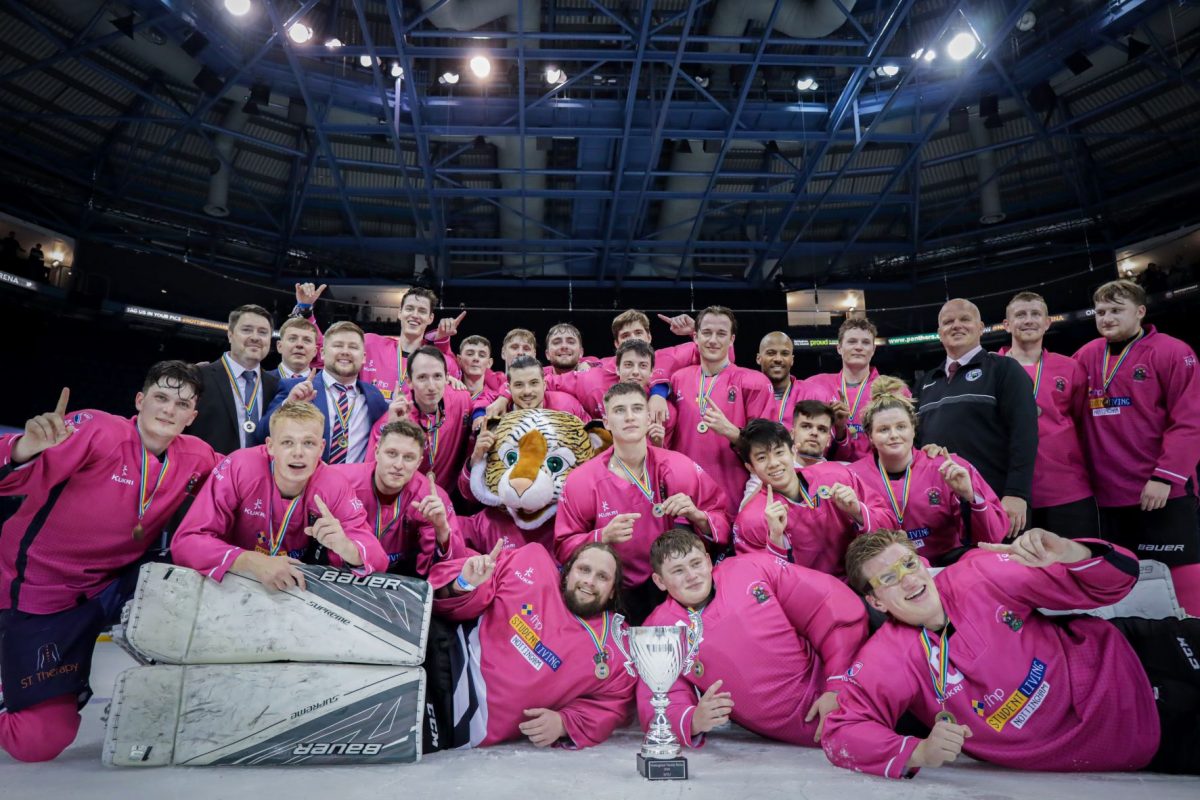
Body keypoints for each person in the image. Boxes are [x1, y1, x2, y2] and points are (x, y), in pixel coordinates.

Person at [821, 528, 1200, 778]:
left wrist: (1069, 551)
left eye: (908, 564)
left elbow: (1119, 579)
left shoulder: (978, 575)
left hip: (1135, 649)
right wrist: (918, 752)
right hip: (1137, 729)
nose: (908, 580)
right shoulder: (887, 657)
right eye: (889, 579)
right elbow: (840, 734)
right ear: (875, 600)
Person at [0, 362, 220, 763]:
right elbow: (11, 475)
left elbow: (245, 476)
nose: (169, 410)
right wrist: (24, 447)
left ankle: (174, 701)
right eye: (161, 397)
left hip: (113, 584)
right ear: (140, 401)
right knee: (38, 740)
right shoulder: (98, 429)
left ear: (192, 417)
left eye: (182, 404)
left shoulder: (197, 456)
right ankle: (19, 682)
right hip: (42, 589)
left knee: (192, 574)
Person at [639, 529, 870, 748]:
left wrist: (838, 686)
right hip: (796, 742)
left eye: (696, 563)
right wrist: (692, 720)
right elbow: (657, 698)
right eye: (678, 571)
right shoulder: (659, 630)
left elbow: (830, 605)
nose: (691, 576)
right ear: (659, 581)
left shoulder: (751, 569)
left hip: (851, 696)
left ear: (709, 562)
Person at [425, 541, 637, 749]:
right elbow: (449, 602)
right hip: (446, 652)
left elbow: (614, 704)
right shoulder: (531, 562)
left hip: (460, 717)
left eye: (602, 577)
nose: (590, 581)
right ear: (568, 571)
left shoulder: (614, 645)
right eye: (584, 570)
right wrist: (464, 584)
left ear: (612, 591)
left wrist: (564, 722)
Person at [1073, 279, 1200, 613]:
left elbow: (1189, 420)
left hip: (1159, 490)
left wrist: (1166, 478)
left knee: (1181, 574)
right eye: (1101, 311)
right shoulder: (1086, 356)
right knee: (1127, 581)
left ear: (1140, 312)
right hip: (1107, 495)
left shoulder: (1174, 352)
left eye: (1117, 310)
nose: (1107, 318)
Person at [555, 382, 730, 623]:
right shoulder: (582, 480)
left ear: (649, 418)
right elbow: (563, 546)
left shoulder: (678, 466)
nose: (629, 417)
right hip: (615, 591)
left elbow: (723, 520)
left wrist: (697, 516)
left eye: (637, 409)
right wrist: (601, 536)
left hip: (674, 587)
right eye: (619, 410)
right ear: (606, 422)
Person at [172, 402, 386, 587]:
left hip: (294, 589)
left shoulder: (334, 485)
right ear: (271, 446)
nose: (298, 452)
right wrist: (251, 561)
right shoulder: (239, 467)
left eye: (309, 443)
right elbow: (187, 542)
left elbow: (378, 559)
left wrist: (346, 547)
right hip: (230, 580)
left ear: (321, 448)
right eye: (287, 442)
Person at [916, 298, 1037, 538]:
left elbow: (1024, 436)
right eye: (948, 322)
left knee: (1007, 573)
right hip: (942, 508)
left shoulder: (1005, 370)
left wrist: (1017, 493)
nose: (956, 325)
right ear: (940, 333)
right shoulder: (925, 382)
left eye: (965, 319)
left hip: (998, 501)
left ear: (981, 327)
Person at [847, 395, 1009, 564]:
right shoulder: (853, 476)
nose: (893, 435)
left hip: (946, 564)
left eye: (901, 427)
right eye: (883, 430)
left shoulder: (949, 467)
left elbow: (992, 537)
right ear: (870, 436)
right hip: (885, 570)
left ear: (913, 429)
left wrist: (969, 496)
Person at [733, 419, 884, 579]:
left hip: (868, 579)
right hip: (814, 600)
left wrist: (858, 512)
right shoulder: (749, 521)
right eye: (762, 458)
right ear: (751, 468)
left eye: (779, 452)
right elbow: (759, 580)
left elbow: (888, 522)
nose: (774, 463)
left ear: (793, 451)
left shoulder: (836, 476)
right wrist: (775, 539)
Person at [999, 291, 1098, 536]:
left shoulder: (1070, 367)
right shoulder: (991, 369)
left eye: (1036, 314)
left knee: (1077, 565)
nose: (1029, 320)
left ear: (1047, 322)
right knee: (1022, 572)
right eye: (1020, 315)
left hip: (1068, 489)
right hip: (1011, 493)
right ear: (1007, 325)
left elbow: (1082, 424)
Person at [668, 306, 774, 513]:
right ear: (696, 337)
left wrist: (732, 432)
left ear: (732, 339)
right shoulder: (678, 379)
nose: (713, 340)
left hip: (733, 493)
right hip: (684, 494)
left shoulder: (754, 382)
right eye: (706, 333)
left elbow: (769, 448)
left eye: (721, 334)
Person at [329, 421, 464, 578]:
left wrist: (441, 530)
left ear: (419, 462)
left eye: (408, 457)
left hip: (399, 577)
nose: (398, 465)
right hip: (340, 570)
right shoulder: (340, 480)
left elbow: (452, 569)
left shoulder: (433, 499)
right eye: (391, 453)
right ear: (377, 451)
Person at [289, 283, 462, 398]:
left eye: (422, 311)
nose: (415, 315)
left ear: (430, 318)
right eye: (409, 308)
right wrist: (305, 310)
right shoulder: (371, 344)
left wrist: (440, 340)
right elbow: (323, 352)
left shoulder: (439, 362)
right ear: (399, 313)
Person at [260, 322, 389, 464]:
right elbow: (261, 435)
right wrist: (288, 406)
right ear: (322, 354)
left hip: (355, 483)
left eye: (353, 347)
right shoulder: (293, 387)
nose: (345, 351)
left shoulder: (374, 396)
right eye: (338, 345)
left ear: (364, 357)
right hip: (308, 483)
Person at [800, 318, 908, 463]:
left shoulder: (893, 388)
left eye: (865, 342)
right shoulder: (815, 385)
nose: (859, 347)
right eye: (852, 341)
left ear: (873, 349)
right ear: (839, 348)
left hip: (878, 473)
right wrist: (839, 430)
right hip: (827, 471)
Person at [376, 346, 472, 490]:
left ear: (447, 377)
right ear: (409, 382)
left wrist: (503, 396)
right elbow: (375, 472)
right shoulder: (394, 417)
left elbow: (488, 396)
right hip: (406, 499)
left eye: (437, 376)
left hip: (450, 497)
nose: (431, 386)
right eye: (422, 377)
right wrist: (393, 431)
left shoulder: (462, 400)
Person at [189, 304, 280, 454]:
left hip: (262, 475)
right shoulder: (198, 376)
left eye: (263, 332)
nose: (255, 337)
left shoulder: (275, 386)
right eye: (246, 330)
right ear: (230, 334)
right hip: (209, 474)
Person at [476, 356, 588, 421]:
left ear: (544, 385)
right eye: (519, 385)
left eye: (534, 383)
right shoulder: (496, 415)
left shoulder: (568, 406)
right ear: (509, 388)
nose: (527, 391)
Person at [755, 331, 808, 431]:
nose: (778, 359)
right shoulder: (747, 394)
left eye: (784, 353)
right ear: (759, 358)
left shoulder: (809, 394)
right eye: (771, 353)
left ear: (792, 360)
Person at [270, 316, 319, 380]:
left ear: (315, 351)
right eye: (292, 339)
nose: (299, 344)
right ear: (279, 346)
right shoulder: (260, 381)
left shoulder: (326, 386)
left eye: (307, 340)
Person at [458, 334, 499, 400]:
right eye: (470, 354)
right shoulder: (446, 392)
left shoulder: (496, 399)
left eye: (482, 355)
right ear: (459, 360)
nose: (476, 358)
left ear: (489, 363)